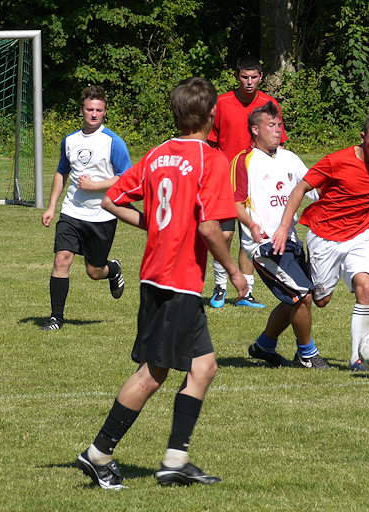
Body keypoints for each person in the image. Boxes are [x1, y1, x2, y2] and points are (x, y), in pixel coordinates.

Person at [76, 77, 248, 489]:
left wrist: (153, 225)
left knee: (204, 367)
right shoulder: (211, 159)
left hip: (157, 275)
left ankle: (175, 459)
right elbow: (210, 228)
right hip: (179, 280)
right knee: (153, 373)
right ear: (211, 115)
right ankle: (98, 453)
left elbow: (110, 200)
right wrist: (235, 271)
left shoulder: (156, 154)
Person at [272, 112, 369, 372]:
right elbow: (301, 188)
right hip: (325, 236)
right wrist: (284, 227)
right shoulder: (336, 161)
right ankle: (283, 328)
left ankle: (358, 358)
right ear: (363, 137)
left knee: (366, 286)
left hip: (358, 235)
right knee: (319, 300)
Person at [233, 102, 330, 369]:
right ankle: (307, 354)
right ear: (255, 130)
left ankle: (264, 346)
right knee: (301, 295)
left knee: (293, 299)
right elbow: (234, 204)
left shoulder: (289, 158)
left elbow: (315, 190)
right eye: (271, 125)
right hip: (264, 246)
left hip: (292, 241)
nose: (277, 130)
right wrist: (252, 225)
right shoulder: (244, 161)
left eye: (279, 125)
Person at [39, 85, 132, 331]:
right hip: (72, 211)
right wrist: (51, 207)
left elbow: (126, 178)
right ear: (82, 110)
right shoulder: (70, 141)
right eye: (90, 109)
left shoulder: (113, 142)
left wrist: (95, 186)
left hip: (102, 214)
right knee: (62, 259)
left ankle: (113, 269)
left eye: (98, 110)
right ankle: (56, 318)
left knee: (94, 271)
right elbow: (61, 173)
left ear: (104, 112)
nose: (94, 114)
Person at [207, 55, 287, 309]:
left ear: (261, 77)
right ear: (237, 76)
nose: (249, 82)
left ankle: (246, 293)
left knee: (251, 238)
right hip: (226, 180)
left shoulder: (269, 104)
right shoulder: (222, 103)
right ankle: (220, 287)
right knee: (225, 234)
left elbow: (278, 142)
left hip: (257, 180)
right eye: (244, 77)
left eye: (254, 77)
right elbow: (210, 142)